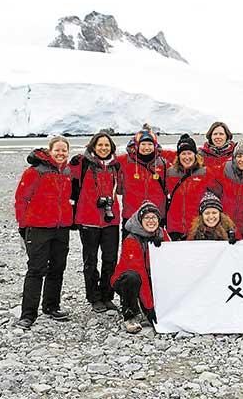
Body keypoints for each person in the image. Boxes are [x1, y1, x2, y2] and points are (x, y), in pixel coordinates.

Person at [14, 136, 73, 329]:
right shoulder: (35, 172)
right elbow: (21, 199)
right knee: (36, 269)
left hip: (61, 227)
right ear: (50, 151)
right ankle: (28, 314)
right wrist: (23, 225)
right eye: (57, 149)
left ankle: (51, 306)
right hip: (38, 227)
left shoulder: (66, 171)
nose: (61, 153)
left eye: (64, 150)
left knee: (57, 268)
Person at [69, 132, 122, 313]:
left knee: (110, 259)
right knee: (90, 261)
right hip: (88, 219)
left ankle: (107, 295)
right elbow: (64, 174)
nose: (103, 148)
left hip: (110, 220)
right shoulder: (82, 163)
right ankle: (94, 297)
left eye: (106, 145)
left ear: (111, 147)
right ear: (93, 146)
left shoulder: (116, 166)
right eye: (100, 145)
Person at [110, 201, 170, 333]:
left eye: (154, 217)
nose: (151, 221)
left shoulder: (162, 234)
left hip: (151, 276)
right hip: (128, 278)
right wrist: (149, 309)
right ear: (140, 220)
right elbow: (140, 271)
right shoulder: (132, 240)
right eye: (146, 218)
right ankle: (130, 314)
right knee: (132, 278)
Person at [118, 127, 171, 235]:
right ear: (137, 145)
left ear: (155, 146)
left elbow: (185, 159)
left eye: (150, 144)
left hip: (156, 216)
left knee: (156, 251)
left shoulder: (163, 164)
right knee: (131, 249)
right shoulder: (124, 161)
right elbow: (105, 159)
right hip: (131, 215)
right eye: (143, 144)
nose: (147, 147)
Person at [165, 134, 215, 241]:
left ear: (195, 155)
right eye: (183, 154)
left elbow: (215, 196)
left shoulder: (205, 172)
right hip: (174, 228)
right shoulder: (170, 173)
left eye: (189, 153)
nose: (186, 157)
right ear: (178, 156)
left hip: (198, 227)